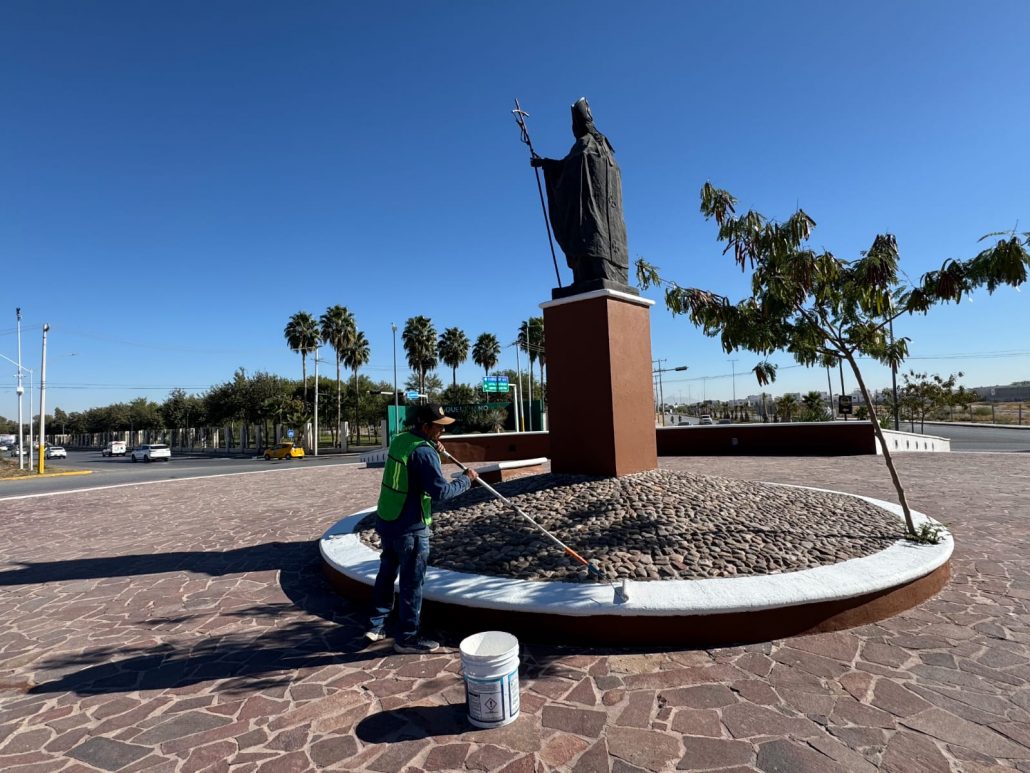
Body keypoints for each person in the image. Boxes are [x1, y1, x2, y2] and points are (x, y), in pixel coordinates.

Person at [367, 403, 479, 653]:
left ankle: (377, 625)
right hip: (411, 528)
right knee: (412, 583)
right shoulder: (424, 453)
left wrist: (432, 446)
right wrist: (466, 480)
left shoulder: (401, 440)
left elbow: (414, 466)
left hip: (388, 521)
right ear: (425, 426)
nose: (443, 431)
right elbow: (440, 492)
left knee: (386, 573)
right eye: (438, 427)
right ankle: (407, 638)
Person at [531, 97, 630, 288]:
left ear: (577, 125)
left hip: (590, 212)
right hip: (603, 216)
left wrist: (547, 165)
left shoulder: (585, 144)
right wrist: (546, 163)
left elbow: (570, 167)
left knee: (587, 238)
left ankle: (589, 273)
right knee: (591, 238)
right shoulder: (604, 148)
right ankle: (591, 274)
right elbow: (570, 165)